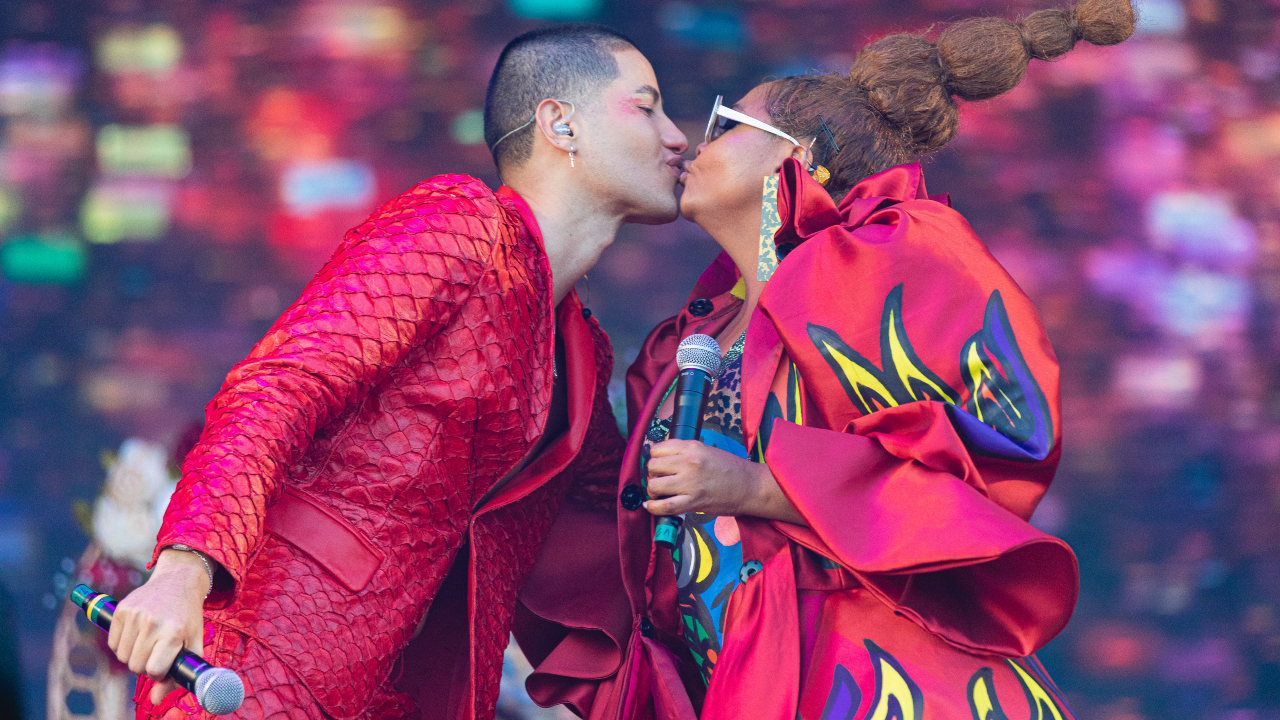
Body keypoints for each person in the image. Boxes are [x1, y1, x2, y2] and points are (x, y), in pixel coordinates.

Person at [515, 1, 1135, 718]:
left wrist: (753, 487)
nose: (690, 144)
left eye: (724, 124)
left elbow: (975, 472)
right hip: (745, 678)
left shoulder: (890, 261)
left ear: (794, 154)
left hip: (880, 683)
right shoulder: (695, 333)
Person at [108, 24, 688, 720]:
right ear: (560, 124)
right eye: (647, 106)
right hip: (264, 662)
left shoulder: (580, 352)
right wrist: (183, 569)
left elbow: (621, 525)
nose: (678, 136)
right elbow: (278, 387)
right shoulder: (460, 223)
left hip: (412, 694)